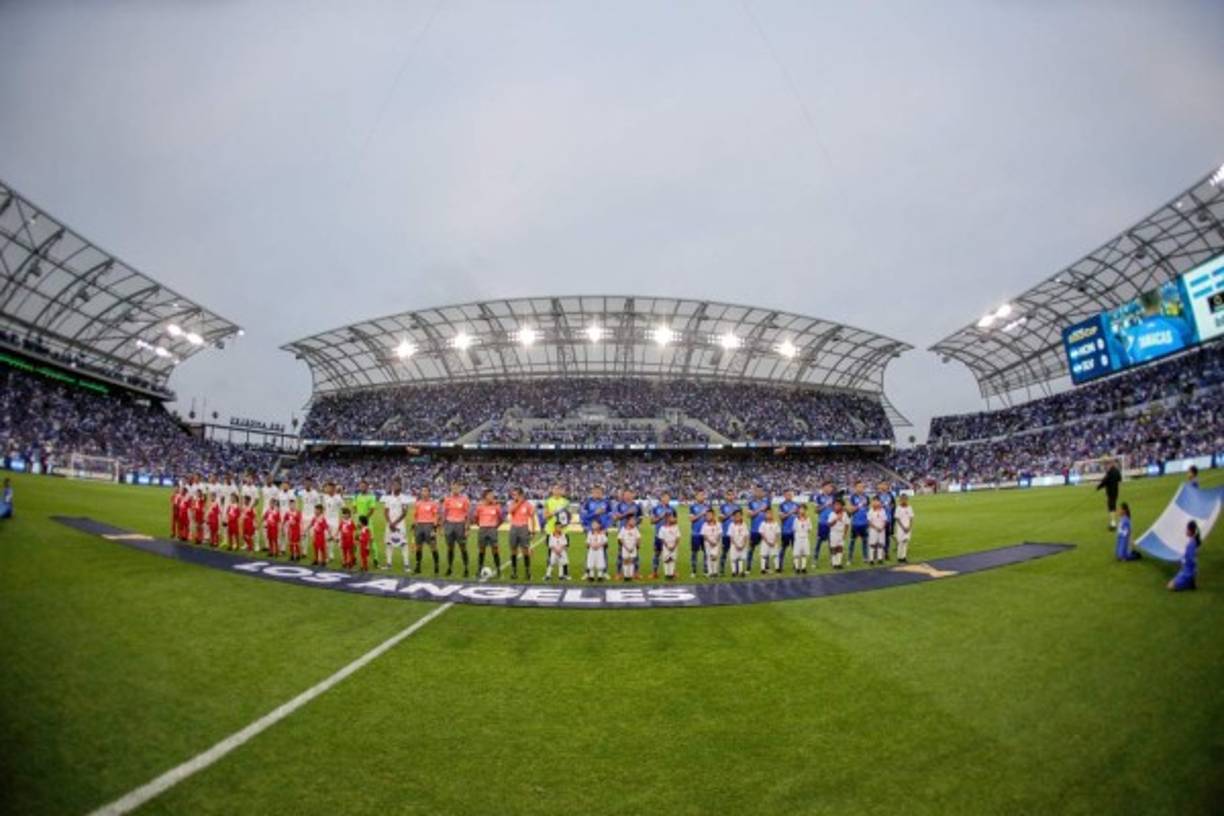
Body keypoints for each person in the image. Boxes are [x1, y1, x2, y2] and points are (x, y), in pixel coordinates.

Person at [380, 479, 410, 572]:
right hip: (389, 524)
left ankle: (406, 565)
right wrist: (390, 523)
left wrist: (395, 523)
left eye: (397, 485)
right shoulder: (388, 498)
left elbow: (405, 513)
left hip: (400, 525)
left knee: (403, 544)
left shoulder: (404, 498)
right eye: (393, 485)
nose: (394, 487)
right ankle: (389, 564)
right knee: (388, 543)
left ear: (400, 487)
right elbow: (385, 512)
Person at [507, 487, 536, 580]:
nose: (513, 496)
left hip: (524, 527)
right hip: (514, 528)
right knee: (513, 550)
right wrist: (519, 502)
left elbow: (532, 518)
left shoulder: (528, 505)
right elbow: (511, 511)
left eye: (515, 494)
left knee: (525, 550)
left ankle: (527, 572)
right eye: (513, 494)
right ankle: (514, 572)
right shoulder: (512, 503)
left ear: (521, 495)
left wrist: (533, 530)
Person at [412, 486, 442, 575]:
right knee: (418, 547)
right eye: (422, 491)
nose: (423, 493)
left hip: (429, 526)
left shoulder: (433, 504)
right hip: (419, 526)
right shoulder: (417, 503)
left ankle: (436, 566)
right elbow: (415, 516)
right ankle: (418, 567)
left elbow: (436, 516)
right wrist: (414, 526)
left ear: (429, 493)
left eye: (425, 491)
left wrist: (434, 528)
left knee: (433, 546)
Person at [352, 480, 381, 568]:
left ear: (367, 487)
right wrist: (356, 517)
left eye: (364, 486)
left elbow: (372, 510)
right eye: (361, 486)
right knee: (356, 539)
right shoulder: (356, 496)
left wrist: (364, 520)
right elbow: (354, 508)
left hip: (367, 522)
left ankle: (375, 559)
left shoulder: (371, 497)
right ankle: (353, 558)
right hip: (358, 521)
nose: (362, 488)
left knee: (371, 540)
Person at [475, 489, 503, 576]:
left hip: (492, 529)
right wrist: (481, 525)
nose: (492, 497)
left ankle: (498, 569)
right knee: (481, 549)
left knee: (495, 549)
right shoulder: (479, 506)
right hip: (483, 529)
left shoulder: (496, 506)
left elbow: (501, 519)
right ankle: (479, 569)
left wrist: (495, 526)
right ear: (485, 496)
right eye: (490, 495)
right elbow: (476, 518)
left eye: (492, 495)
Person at [1167, 521, 1201, 591]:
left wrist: (1182, 562)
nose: (1185, 531)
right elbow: (1191, 559)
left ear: (1190, 531)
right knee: (1170, 584)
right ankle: (1190, 582)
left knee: (1170, 586)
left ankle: (1189, 583)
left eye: (1187, 529)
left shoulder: (1191, 544)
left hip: (1188, 572)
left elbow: (1191, 560)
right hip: (1187, 570)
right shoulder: (1193, 542)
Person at [649, 492, 672, 579]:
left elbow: (675, 521)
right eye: (665, 498)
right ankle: (655, 572)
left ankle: (670, 572)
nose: (667, 499)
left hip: (669, 535)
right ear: (661, 498)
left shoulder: (672, 509)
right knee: (657, 553)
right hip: (658, 535)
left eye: (668, 498)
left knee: (670, 554)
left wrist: (670, 519)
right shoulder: (655, 508)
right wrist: (661, 517)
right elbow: (651, 521)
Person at [689, 489, 710, 577]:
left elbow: (711, 519)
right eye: (700, 495)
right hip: (695, 533)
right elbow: (691, 519)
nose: (702, 497)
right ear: (696, 497)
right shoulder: (693, 507)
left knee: (706, 553)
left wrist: (707, 517)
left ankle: (706, 570)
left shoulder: (708, 507)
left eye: (703, 495)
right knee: (694, 553)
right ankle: (694, 571)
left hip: (706, 534)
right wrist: (702, 514)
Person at [746, 486, 769, 569]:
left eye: (761, 491)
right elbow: (749, 515)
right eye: (758, 491)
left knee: (766, 548)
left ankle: (766, 566)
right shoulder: (751, 503)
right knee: (751, 548)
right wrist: (760, 509)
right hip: (755, 530)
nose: (760, 493)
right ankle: (748, 566)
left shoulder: (766, 502)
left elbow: (769, 515)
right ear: (755, 492)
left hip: (765, 530)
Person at [322, 482, 345, 560]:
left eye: (329, 488)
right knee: (327, 539)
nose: (327, 489)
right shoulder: (325, 497)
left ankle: (344, 557)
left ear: (333, 489)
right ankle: (329, 555)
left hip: (335, 522)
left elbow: (344, 509)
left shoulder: (338, 498)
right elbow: (323, 508)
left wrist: (344, 520)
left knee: (337, 539)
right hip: (327, 521)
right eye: (327, 487)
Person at [778, 489, 800, 569]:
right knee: (783, 548)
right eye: (787, 494)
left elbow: (800, 516)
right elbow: (781, 517)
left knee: (795, 548)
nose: (789, 496)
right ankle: (780, 565)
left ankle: (796, 565)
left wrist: (798, 514)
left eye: (790, 494)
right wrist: (791, 512)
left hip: (795, 531)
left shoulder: (797, 504)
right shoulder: (781, 505)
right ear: (784, 495)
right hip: (785, 531)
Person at [1097, 460, 1122, 530]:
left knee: (1111, 507)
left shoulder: (1110, 472)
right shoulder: (1117, 471)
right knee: (1113, 506)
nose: (1106, 466)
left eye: (1107, 465)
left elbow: (1104, 481)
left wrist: (1098, 487)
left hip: (1110, 492)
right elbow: (1120, 480)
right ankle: (1114, 522)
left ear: (1110, 465)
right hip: (1116, 492)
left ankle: (1113, 523)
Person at [719, 490, 740, 576]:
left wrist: (735, 518)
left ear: (734, 496)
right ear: (726, 496)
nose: (730, 497)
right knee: (725, 551)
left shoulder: (737, 506)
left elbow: (740, 519)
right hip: (726, 533)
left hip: (736, 534)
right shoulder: (723, 507)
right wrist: (730, 514)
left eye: (732, 495)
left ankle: (736, 569)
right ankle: (721, 569)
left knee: (737, 552)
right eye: (729, 495)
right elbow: (721, 519)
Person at [848, 482, 869, 565]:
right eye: (859, 486)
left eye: (862, 486)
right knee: (852, 542)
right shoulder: (853, 497)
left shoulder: (866, 497)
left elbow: (868, 509)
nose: (861, 488)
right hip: (855, 523)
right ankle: (850, 558)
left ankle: (865, 557)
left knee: (865, 541)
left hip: (864, 523)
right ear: (855, 487)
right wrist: (860, 505)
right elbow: (850, 510)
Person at [814, 481, 835, 564]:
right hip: (822, 523)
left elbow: (837, 508)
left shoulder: (834, 496)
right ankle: (815, 558)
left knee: (831, 541)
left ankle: (832, 558)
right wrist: (825, 505)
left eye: (831, 487)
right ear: (823, 487)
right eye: (828, 486)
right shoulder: (818, 497)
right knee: (819, 541)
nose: (830, 488)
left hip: (832, 522)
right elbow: (816, 510)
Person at [827, 499, 851, 570]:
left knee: (840, 548)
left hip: (841, 533)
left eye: (838, 505)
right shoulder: (832, 514)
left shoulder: (845, 514)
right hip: (834, 533)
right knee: (833, 548)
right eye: (835, 505)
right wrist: (835, 519)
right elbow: (829, 524)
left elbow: (847, 524)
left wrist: (845, 533)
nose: (836, 506)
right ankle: (834, 564)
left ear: (842, 506)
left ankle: (839, 563)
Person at [875, 480, 896, 560]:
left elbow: (893, 506)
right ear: (880, 486)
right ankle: (878, 552)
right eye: (882, 485)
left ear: (887, 486)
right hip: (879, 520)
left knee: (887, 537)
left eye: (885, 485)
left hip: (888, 519)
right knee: (878, 536)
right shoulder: (877, 496)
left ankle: (886, 552)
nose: (883, 486)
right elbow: (874, 507)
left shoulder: (890, 495)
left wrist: (892, 513)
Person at [658, 512, 681, 581]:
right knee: (666, 560)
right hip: (666, 547)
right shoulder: (662, 528)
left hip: (674, 546)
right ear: (666, 519)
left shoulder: (676, 527)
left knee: (672, 559)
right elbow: (662, 538)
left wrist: (674, 545)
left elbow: (678, 537)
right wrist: (667, 546)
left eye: (672, 517)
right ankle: (667, 574)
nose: (672, 519)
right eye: (670, 517)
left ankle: (671, 574)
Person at [727, 509, 750, 578]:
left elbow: (746, 535)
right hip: (734, 545)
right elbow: (731, 536)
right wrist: (736, 545)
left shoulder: (744, 525)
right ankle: (734, 572)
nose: (738, 517)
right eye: (736, 516)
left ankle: (740, 571)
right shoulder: (731, 525)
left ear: (741, 516)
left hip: (742, 544)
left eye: (739, 516)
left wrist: (743, 544)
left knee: (741, 558)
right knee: (733, 558)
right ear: (733, 517)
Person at [758, 508, 781, 575]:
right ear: (765, 515)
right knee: (763, 555)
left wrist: (774, 541)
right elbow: (762, 534)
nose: (769, 515)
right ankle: (763, 569)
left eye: (770, 513)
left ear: (772, 514)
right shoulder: (763, 524)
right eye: (767, 513)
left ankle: (777, 569)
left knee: (775, 555)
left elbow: (777, 533)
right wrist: (767, 542)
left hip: (774, 542)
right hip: (765, 542)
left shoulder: (776, 524)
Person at [619, 515, 641, 581]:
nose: (634, 522)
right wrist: (626, 547)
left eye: (634, 520)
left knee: (631, 561)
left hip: (632, 548)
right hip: (625, 548)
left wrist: (636, 545)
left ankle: (631, 576)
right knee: (625, 561)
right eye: (632, 520)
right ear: (628, 521)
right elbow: (620, 539)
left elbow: (638, 538)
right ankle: (626, 576)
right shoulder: (623, 529)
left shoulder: (635, 529)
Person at [701, 508, 721, 579]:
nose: (708, 517)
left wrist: (715, 541)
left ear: (713, 515)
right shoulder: (704, 525)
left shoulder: (718, 524)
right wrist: (710, 541)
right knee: (709, 557)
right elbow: (704, 535)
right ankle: (710, 572)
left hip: (716, 543)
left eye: (710, 515)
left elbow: (719, 534)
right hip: (708, 543)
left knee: (715, 557)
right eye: (707, 515)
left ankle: (715, 572)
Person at [867, 497, 888, 565]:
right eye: (874, 501)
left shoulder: (883, 510)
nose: (876, 503)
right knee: (872, 544)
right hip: (873, 530)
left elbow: (885, 520)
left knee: (880, 544)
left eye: (877, 501)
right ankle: (871, 559)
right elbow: (869, 522)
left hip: (881, 529)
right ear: (872, 502)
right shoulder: (870, 511)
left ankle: (880, 558)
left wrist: (882, 527)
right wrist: (876, 528)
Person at [894, 495, 915, 563]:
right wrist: (903, 527)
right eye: (902, 499)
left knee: (905, 542)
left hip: (908, 527)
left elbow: (911, 518)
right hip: (901, 528)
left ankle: (904, 557)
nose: (904, 501)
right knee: (900, 542)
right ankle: (899, 557)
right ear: (900, 500)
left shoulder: (909, 507)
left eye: (905, 499)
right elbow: (897, 518)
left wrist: (909, 526)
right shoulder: (898, 508)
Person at [792, 506, 813, 573]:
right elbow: (794, 529)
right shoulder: (796, 519)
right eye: (800, 509)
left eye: (803, 509)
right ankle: (797, 568)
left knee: (804, 553)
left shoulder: (808, 519)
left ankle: (803, 568)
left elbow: (810, 529)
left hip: (805, 538)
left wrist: (805, 532)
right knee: (796, 554)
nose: (802, 511)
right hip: (798, 538)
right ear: (798, 511)